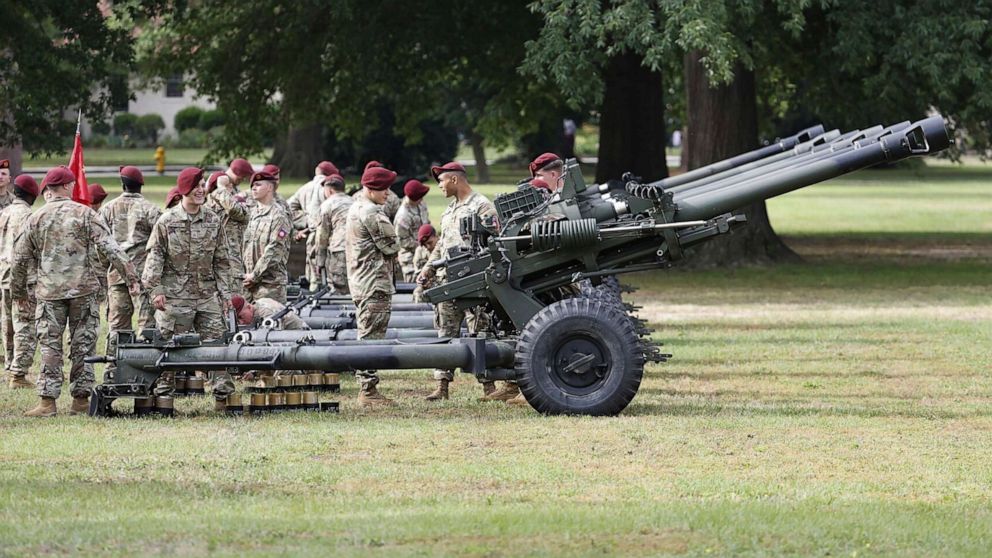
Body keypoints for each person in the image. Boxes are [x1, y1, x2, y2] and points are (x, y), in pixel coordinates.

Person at [12, 166, 140, 417]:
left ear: (48, 189)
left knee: (50, 345)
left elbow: (19, 259)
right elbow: (110, 248)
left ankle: (47, 402)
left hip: (49, 291)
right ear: (69, 186)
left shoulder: (35, 217)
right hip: (83, 290)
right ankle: (80, 400)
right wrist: (131, 278)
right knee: (83, 344)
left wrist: (18, 293)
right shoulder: (85, 213)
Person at [143, 167, 235, 412]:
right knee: (170, 347)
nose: (201, 190)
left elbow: (222, 260)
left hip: (206, 296)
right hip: (174, 297)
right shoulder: (167, 221)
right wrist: (156, 290)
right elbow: (154, 258)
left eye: (203, 184)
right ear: (184, 189)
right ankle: (163, 402)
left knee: (216, 347)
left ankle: (223, 401)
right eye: (195, 185)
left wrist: (226, 294)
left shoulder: (213, 220)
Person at [416, 162, 498, 401]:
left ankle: (489, 387)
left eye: (441, 181)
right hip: (448, 281)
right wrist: (428, 269)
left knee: (480, 331)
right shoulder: (449, 210)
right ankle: (442, 386)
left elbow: (495, 243)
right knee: (445, 331)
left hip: (474, 282)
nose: (439, 186)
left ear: (454, 180)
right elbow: (441, 245)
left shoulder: (482, 206)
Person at [98, 165, 162, 382]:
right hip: (145, 275)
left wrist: (106, 266)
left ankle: (112, 369)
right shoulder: (151, 209)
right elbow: (161, 240)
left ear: (123, 184)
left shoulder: (107, 209)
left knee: (117, 324)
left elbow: (100, 244)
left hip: (116, 274)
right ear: (141, 186)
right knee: (147, 323)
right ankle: (145, 367)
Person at [346, 164, 401, 406]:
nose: (387, 194)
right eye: (384, 189)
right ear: (371, 189)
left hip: (362, 281)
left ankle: (368, 388)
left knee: (367, 332)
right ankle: (368, 391)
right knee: (371, 337)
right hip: (374, 283)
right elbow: (392, 244)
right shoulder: (372, 213)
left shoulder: (356, 207)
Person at [0, 174, 41, 388]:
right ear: (32, 195)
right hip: (24, 278)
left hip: (4, 275)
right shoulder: (28, 215)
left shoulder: (4, 212)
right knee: (25, 325)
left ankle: (10, 364)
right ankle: (18, 375)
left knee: (8, 324)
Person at [242, 170, 291, 303]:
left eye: (258, 184)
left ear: (269, 187)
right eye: (252, 185)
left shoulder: (279, 216)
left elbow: (275, 249)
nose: (253, 188)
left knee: (269, 322)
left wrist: (255, 275)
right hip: (247, 284)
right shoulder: (251, 214)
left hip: (270, 286)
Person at [288, 161, 339, 285]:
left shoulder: (304, 188)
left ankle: (313, 292)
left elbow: (288, 207)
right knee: (330, 273)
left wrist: (304, 221)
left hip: (312, 234)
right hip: (330, 235)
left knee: (313, 271)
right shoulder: (328, 188)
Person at [207, 158, 253, 293]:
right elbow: (236, 211)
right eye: (243, 176)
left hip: (233, 249)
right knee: (233, 294)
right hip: (226, 252)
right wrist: (221, 188)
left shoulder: (230, 191)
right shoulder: (219, 193)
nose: (243, 180)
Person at [314, 173, 353, 293]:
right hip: (357, 249)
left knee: (338, 288)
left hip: (339, 250)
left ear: (329, 190)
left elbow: (322, 236)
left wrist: (319, 262)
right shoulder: (354, 202)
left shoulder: (327, 205)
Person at [393, 179, 430, 282]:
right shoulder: (403, 217)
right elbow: (402, 241)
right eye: (420, 197)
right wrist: (422, 244)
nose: (422, 199)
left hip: (425, 254)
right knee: (413, 285)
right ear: (414, 198)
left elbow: (426, 221)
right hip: (410, 259)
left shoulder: (421, 204)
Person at [231, 294, 309, 331]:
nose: (241, 322)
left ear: (249, 307)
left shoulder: (267, 312)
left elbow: (274, 338)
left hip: (301, 336)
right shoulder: (258, 306)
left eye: (240, 317)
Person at [411, 224, 437, 304]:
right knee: (418, 293)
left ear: (436, 236)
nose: (428, 247)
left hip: (443, 282)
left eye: (430, 242)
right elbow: (419, 274)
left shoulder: (443, 248)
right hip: (428, 285)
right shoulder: (420, 251)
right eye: (425, 244)